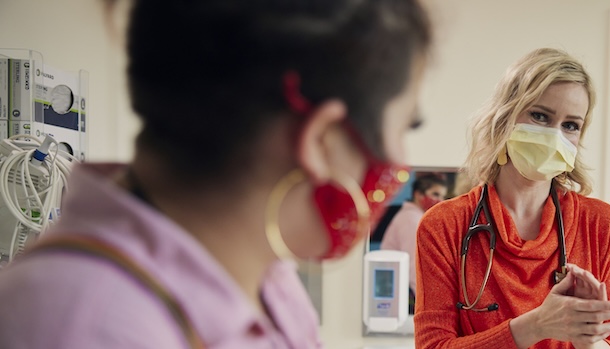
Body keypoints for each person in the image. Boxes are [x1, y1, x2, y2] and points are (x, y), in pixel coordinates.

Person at [0, 0, 431, 348]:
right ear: (322, 140)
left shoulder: (270, 283)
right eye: (404, 126)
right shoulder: (85, 323)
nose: (400, 158)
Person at [414, 48, 610, 349]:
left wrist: (590, 338)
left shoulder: (601, 224)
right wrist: (536, 325)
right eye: (540, 116)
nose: (555, 136)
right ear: (505, 116)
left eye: (571, 125)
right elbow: (432, 346)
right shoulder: (446, 225)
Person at [381, 173, 448, 295]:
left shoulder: (415, 217)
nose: (440, 201)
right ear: (418, 194)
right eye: (435, 194)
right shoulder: (411, 220)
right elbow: (414, 265)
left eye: (443, 196)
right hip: (401, 290)